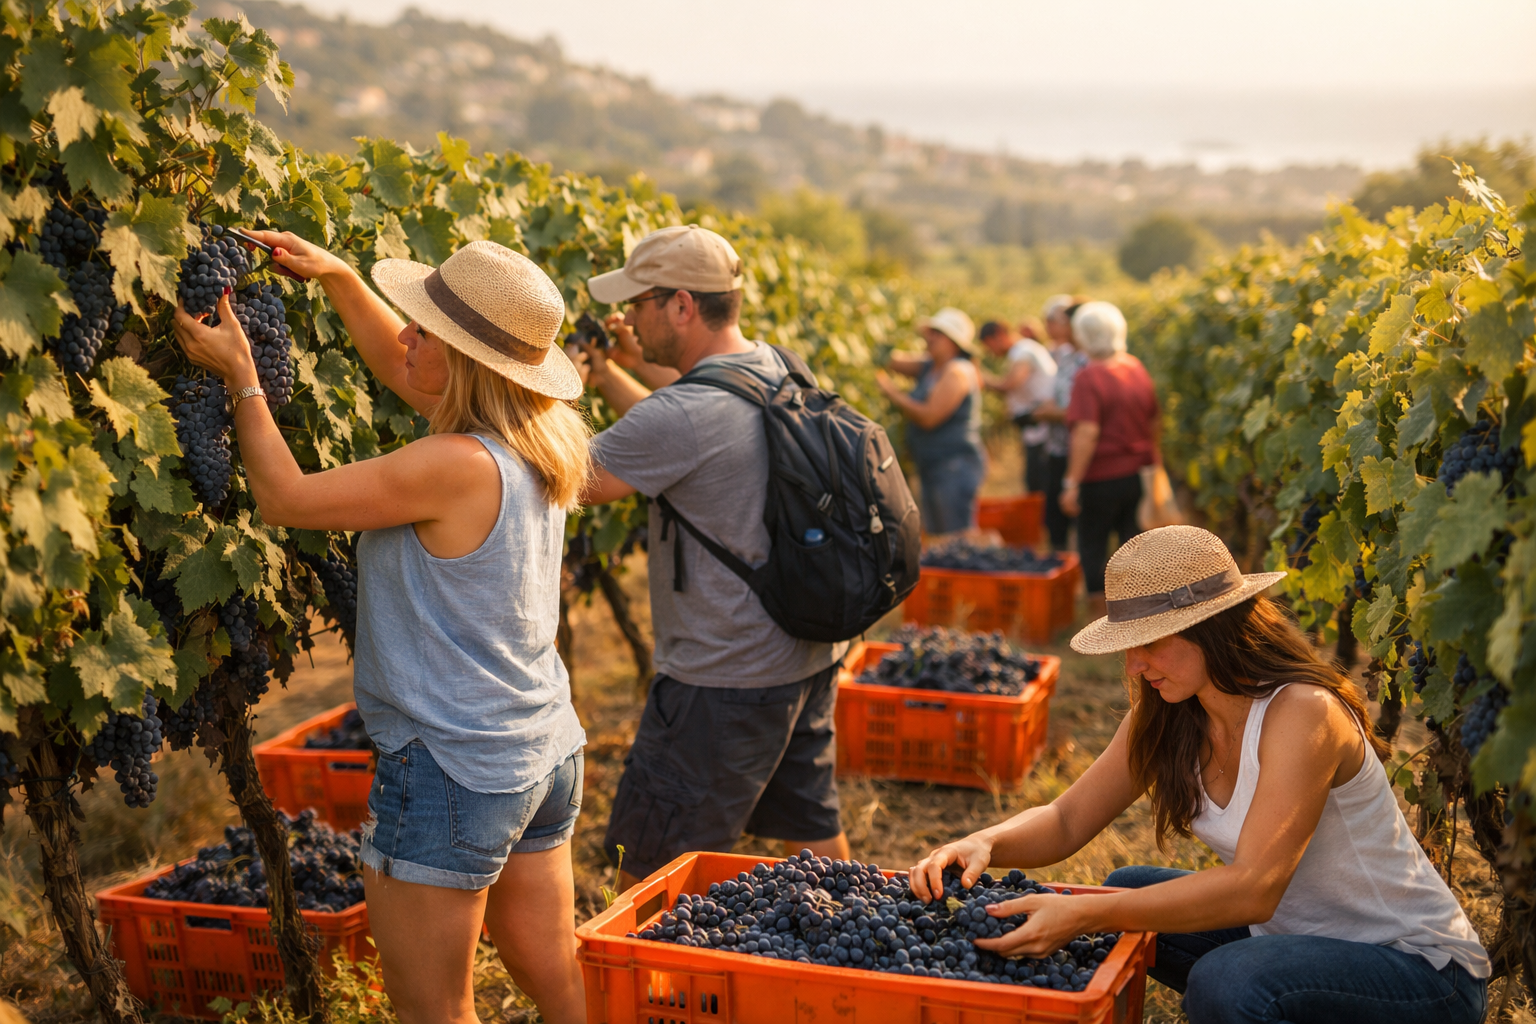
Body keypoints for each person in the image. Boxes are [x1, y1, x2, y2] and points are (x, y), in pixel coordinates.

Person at [173, 237, 590, 1024]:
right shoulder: (541, 439)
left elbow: (288, 499)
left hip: (454, 768)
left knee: (435, 1010)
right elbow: (409, 374)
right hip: (541, 752)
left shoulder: (453, 465)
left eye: (423, 329)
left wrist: (243, 381)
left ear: (466, 363)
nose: (406, 337)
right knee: (556, 979)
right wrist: (338, 277)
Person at [909, 526, 1489, 1024]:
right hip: (1295, 945)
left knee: (1226, 980)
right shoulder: (1168, 717)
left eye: (1150, 644)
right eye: (1128, 647)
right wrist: (983, 841)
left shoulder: (1302, 713)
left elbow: (1255, 889)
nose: (1134, 666)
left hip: (1420, 971)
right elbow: (1065, 820)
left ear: (1213, 626)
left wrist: (1082, 914)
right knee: (1126, 890)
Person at [574, 225, 852, 890]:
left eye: (639, 304)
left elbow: (571, 478)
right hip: (803, 656)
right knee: (812, 833)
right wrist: (615, 373)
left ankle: (663, 988)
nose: (631, 322)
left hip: (722, 681)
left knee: (652, 870)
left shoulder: (684, 413)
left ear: (680, 307)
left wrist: (569, 381)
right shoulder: (778, 366)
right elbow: (675, 446)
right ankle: (864, 947)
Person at [1059, 301, 1160, 619]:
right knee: (1132, 542)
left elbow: (1086, 433)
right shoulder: (1135, 367)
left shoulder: (1089, 377)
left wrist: (1071, 483)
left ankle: (1099, 615)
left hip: (1100, 476)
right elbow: (1155, 420)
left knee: (1093, 542)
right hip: (1136, 474)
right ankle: (1135, 611)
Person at [875, 308, 985, 535]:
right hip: (933, 465)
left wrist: (893, 394)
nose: (929, 337)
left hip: (954, 466)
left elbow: (929, 417)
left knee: (955, 536)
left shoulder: (957, 371)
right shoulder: (930, 365)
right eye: (930, 332)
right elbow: (891, 360)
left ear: (954, 342)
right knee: (937, 535)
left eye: (938, 333)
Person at [1029, 295, 1089, 550]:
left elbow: (1081, 413)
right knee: (1055, 519)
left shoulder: (1087, 361)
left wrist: (1051, 413)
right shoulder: (1066, 356)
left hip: (1077, 451)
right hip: (1057, 448)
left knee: (1075, 516)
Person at [980, 318, 1057, 496]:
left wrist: (982, 378)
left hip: (1043, 429)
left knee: (1037, 484)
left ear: (999, 335)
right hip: (1038, 427)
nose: (989, 351)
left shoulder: (1023, 351)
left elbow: (1011, 383)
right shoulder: (1023, 350)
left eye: (989, 345)